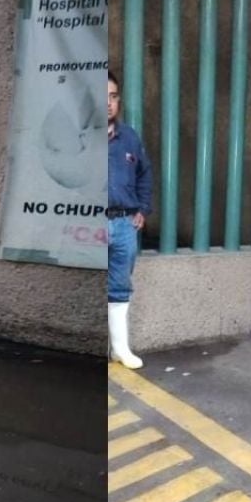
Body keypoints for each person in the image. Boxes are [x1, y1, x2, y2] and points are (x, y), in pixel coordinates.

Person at [107, 70, 151, 369]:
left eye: (113, 96)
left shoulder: (129, 137)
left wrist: (143, 209)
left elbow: (144, 174)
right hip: (87, 224)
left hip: (123, 224)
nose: (108, 103)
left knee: (120, 286)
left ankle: (120, 348)